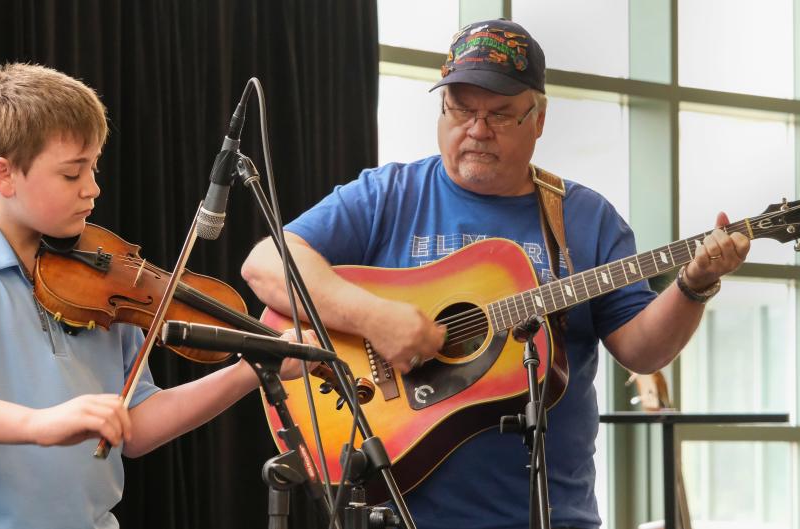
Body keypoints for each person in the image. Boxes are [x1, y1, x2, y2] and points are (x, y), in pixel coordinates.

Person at [241, 19, 750, 529]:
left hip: (551, 515)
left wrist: (693, 284)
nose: (478, 129)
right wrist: (376, 319)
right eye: (461, 109)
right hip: (395, 513)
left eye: (500, 114)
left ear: (539, 117)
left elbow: (643, 351)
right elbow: (265, 264)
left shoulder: (586, 218)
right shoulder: (388, 194)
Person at [0, 63, 312, 529]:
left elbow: (138, 426)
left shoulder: (106, 278)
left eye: (94, 167)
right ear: (4, 176)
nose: (93, 188)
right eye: (72, 174)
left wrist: (249, 369)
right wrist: (39, 424)